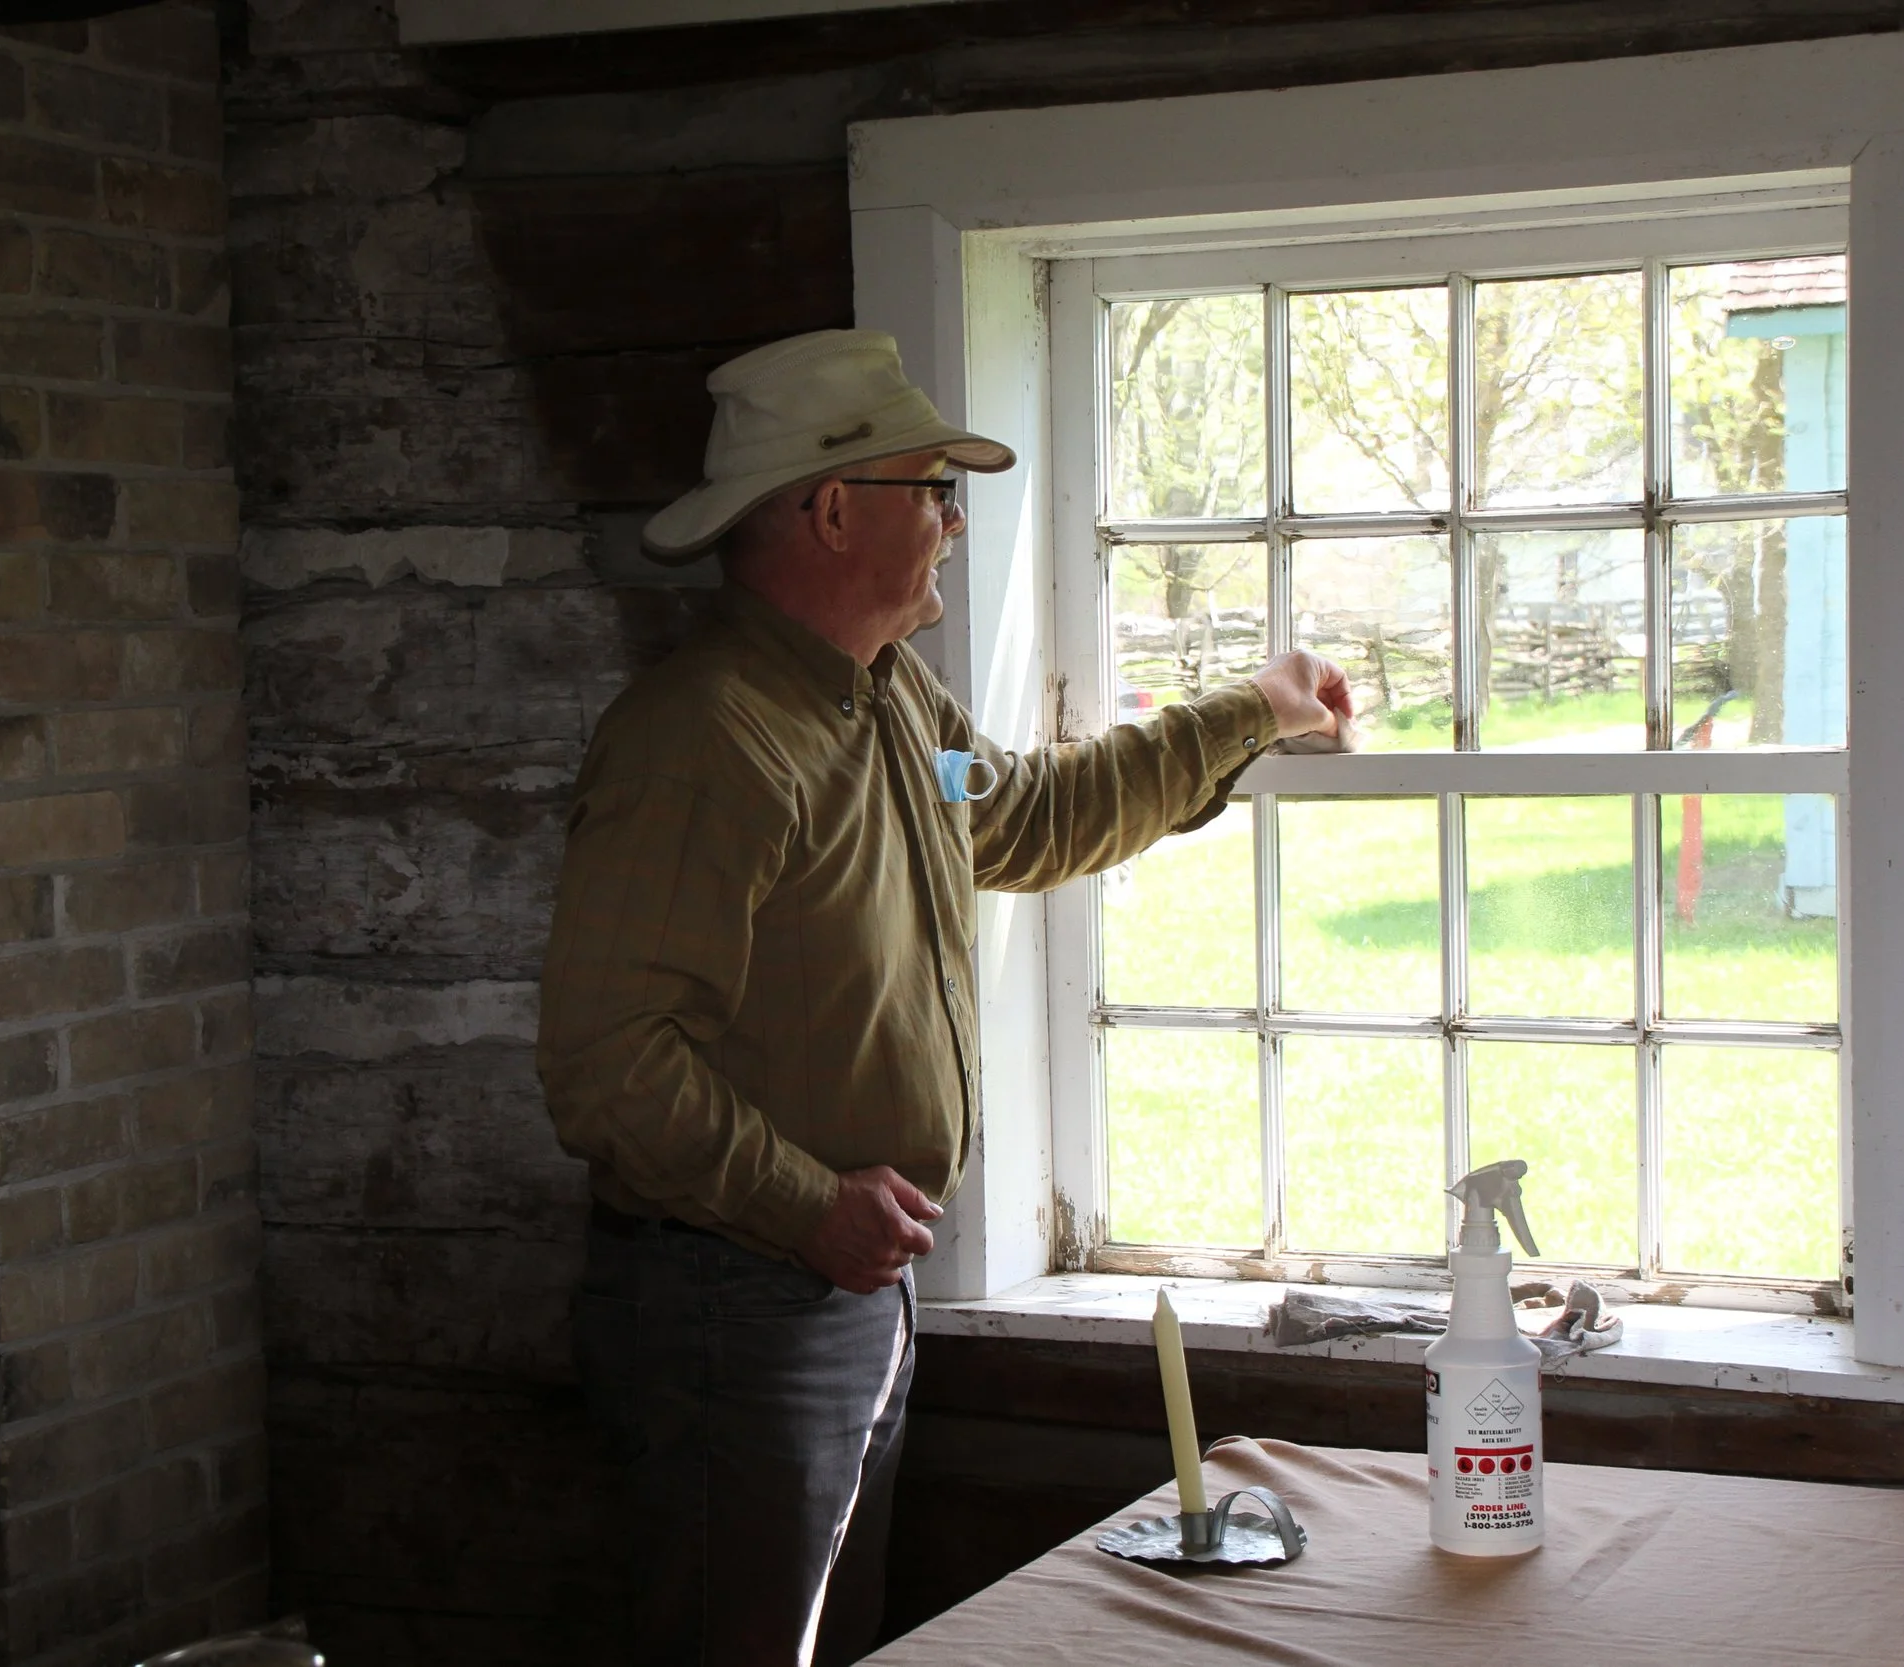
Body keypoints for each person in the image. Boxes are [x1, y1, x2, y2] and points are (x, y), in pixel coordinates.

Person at [538, 329, 1350, 1667]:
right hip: (735, 1305)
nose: (956, 522)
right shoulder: (706, 740)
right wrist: (812, 1209)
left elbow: (1030, 814)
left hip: (829, 1289)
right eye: (931, 489)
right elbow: (607, 1061)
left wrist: (1249, 712)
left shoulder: (888, 702)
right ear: (832, 506)